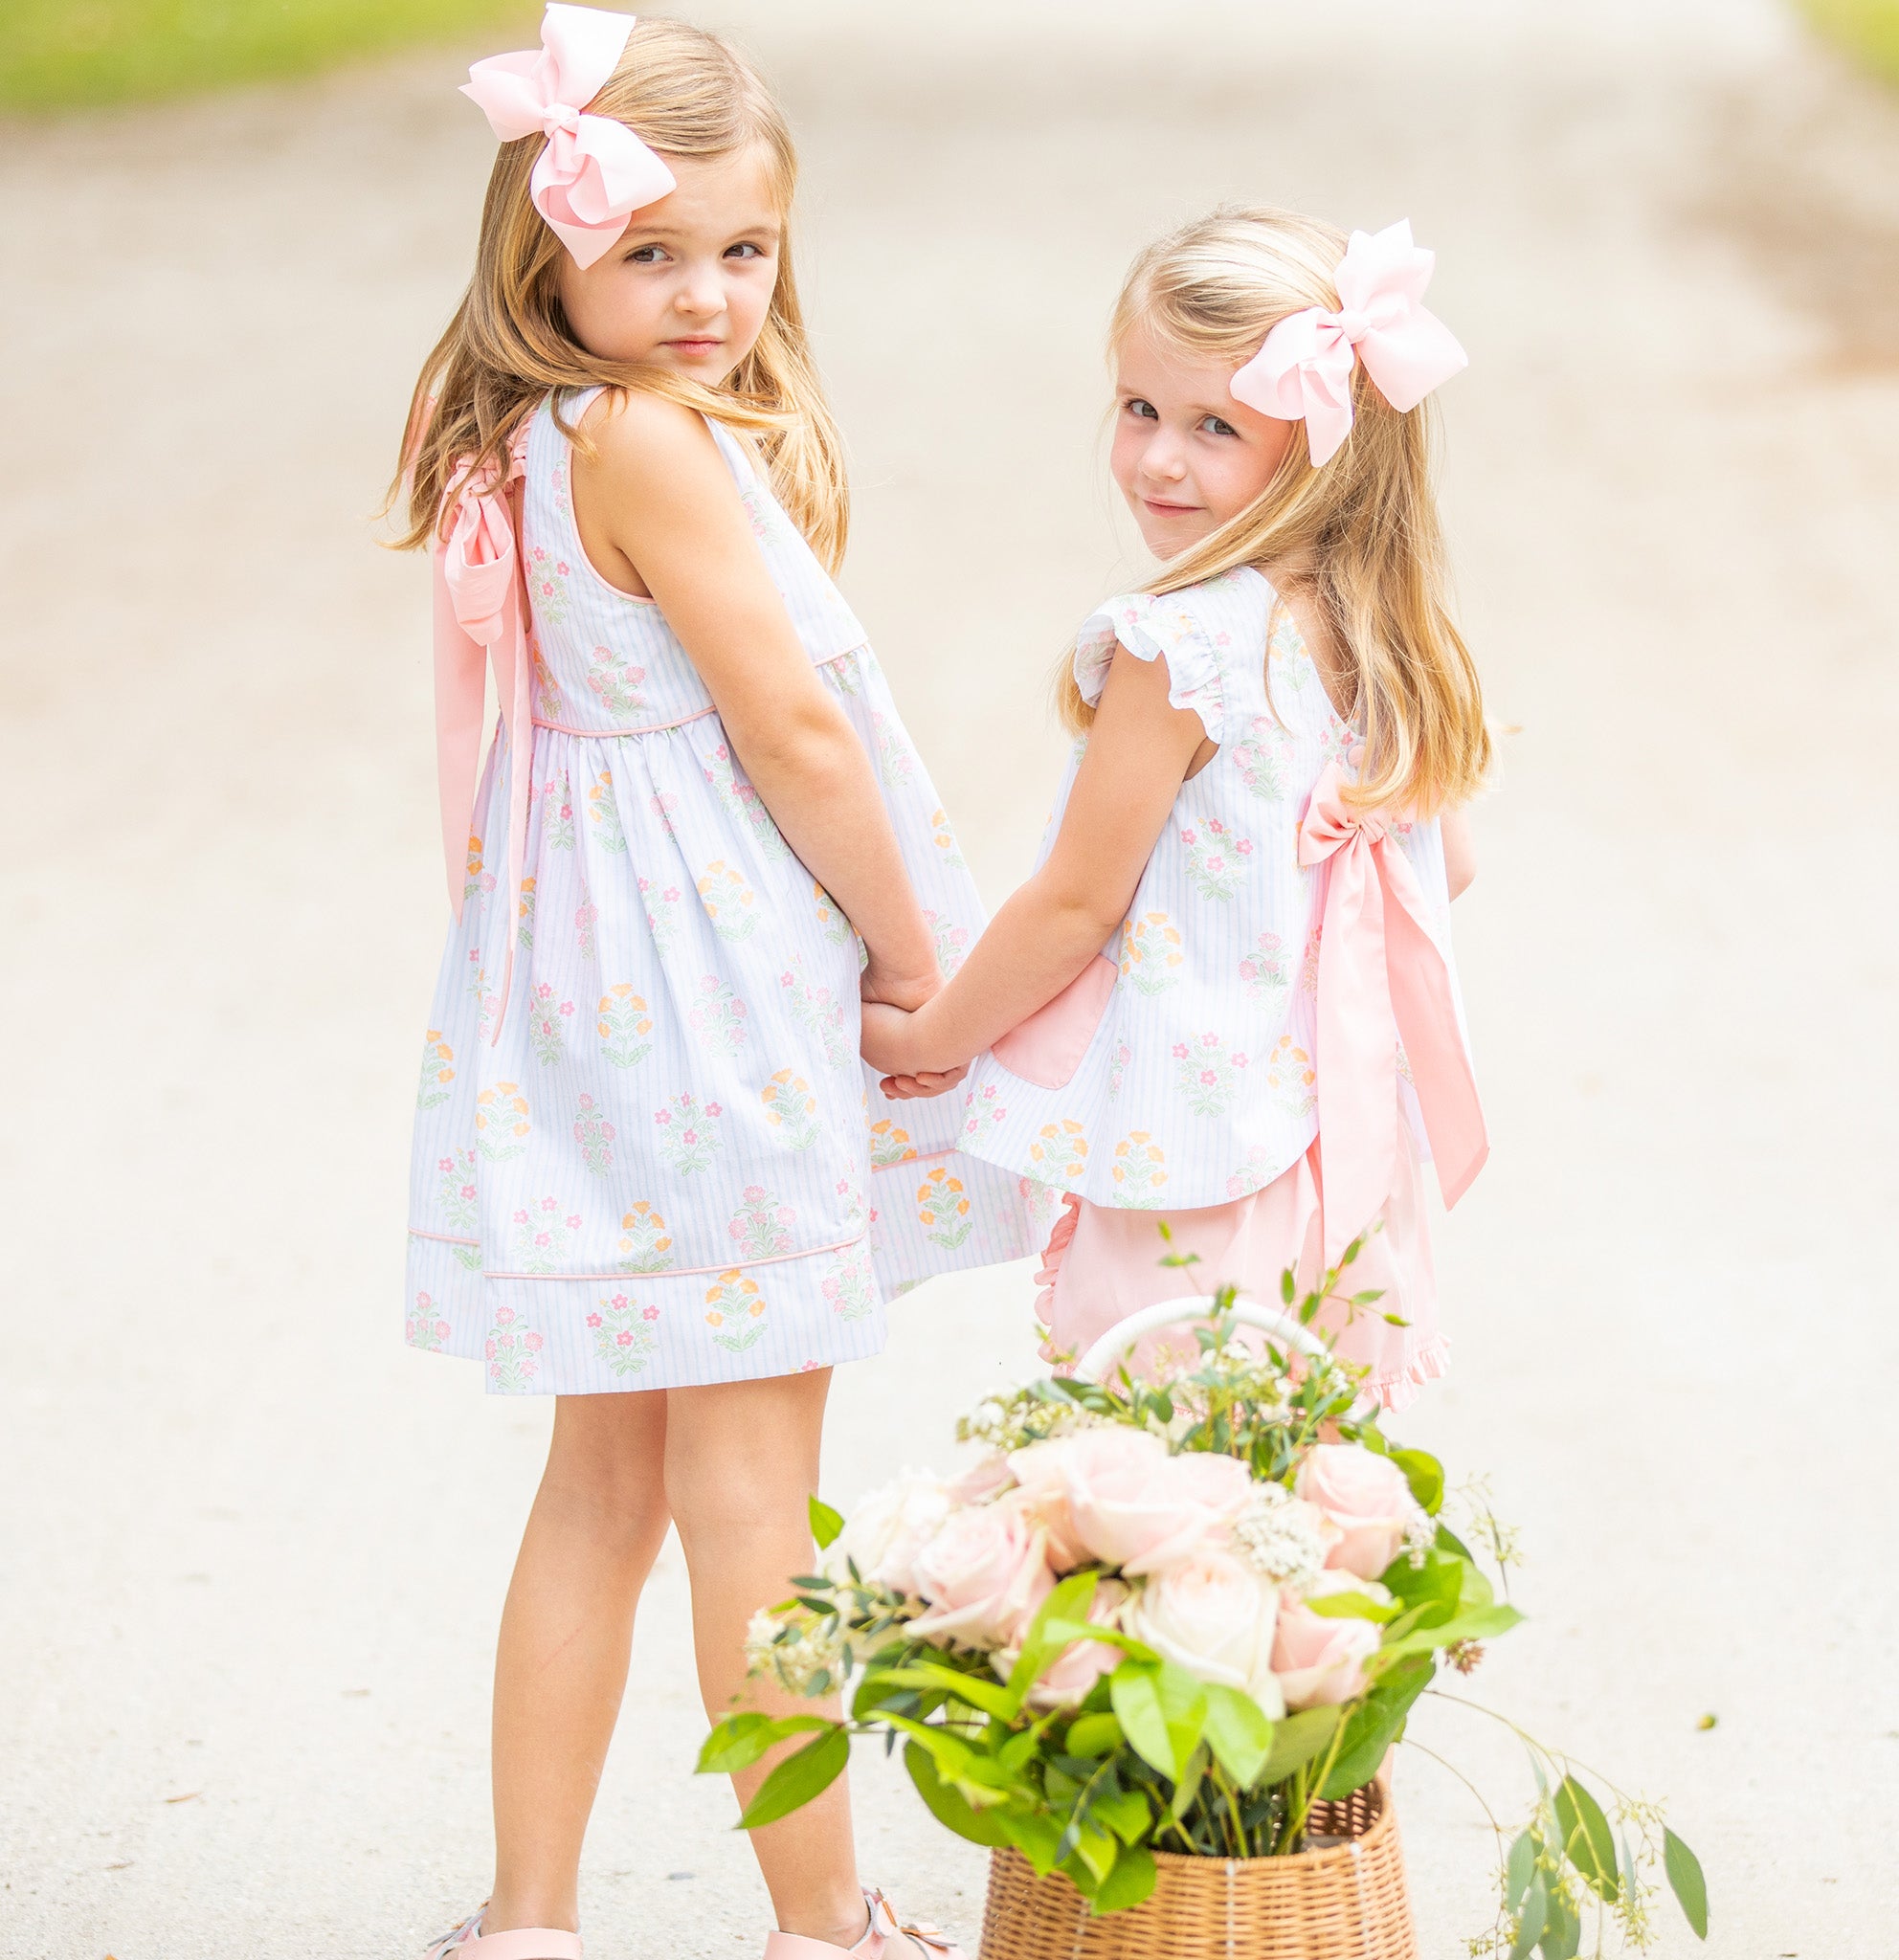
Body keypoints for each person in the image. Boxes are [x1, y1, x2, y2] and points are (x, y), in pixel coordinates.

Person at [388, 11, 1037, 1955]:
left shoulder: (525, 432)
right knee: (755, 1474)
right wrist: (925, 966)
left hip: (594, 1011)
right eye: (651, 251)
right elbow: (795, 735)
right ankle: (821, 1920)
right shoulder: (653, 445)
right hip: (721, 1013)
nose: (704, 296)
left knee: (605, 1476)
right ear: (548, 246)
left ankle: (530, 1916)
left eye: (741, 252)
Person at [864, 208, 1491, 1408]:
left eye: (1215, 427)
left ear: (1322, 446)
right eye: (1139, 408)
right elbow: (1439, 867)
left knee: (1155, 1476)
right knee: (1292, 1481)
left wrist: (929, 1039)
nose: (1157, 458)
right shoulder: (1380, 635)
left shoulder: (1184, 645)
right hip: (1337, 1152)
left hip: (1193, 1157)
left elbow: (1073, 901)